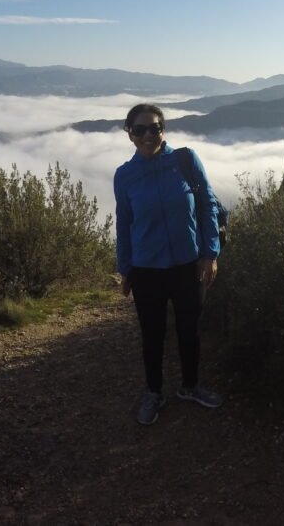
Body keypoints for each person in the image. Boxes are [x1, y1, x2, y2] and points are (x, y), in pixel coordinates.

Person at [114, 103, 222, 425]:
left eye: (155, 128)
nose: (149, 135)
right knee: (152, 334)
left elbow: (207, 205)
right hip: (147, 269)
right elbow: (124, 223)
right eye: (140, 129)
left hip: (187, 264)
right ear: (130, 134)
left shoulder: (185, 161)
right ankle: (154, 392)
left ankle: (190, 386)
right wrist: (126, 268)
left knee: (190, 330)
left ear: (164, 130)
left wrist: (210, 253)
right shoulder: (125, 175)